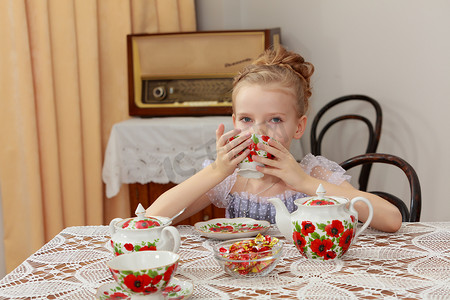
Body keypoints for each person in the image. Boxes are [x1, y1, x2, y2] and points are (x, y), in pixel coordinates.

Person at [146, 46, 402, 233]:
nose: (259, 132)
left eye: (275, 120)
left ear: (299, 126)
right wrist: (216, 171)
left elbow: (391, 220)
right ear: (235, 122)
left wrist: (303, 181)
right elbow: (152, 218)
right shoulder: (230, 181)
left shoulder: (314, 173)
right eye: (247, 119)